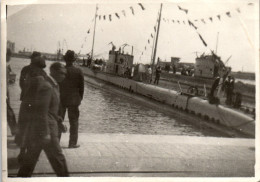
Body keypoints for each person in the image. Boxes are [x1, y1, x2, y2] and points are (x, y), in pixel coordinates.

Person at [17, 62, 69, 177]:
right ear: (53, 71)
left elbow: (51, 110)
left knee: (30, 161)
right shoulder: (47, 86)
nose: (64, 76)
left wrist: (59, 121)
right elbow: (41, 110)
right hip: (47, 131)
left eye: (65, 74)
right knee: (58, 159)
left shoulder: (55, 85)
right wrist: (46, 132)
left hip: (42, 130)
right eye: (62, 73)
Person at [59, 50, 84, 148]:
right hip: (74, 100)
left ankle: (56, 141)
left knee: (59, 120)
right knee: (74, 122)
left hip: (61, 99)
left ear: (65, 59)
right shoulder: (79, 71)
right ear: (74, 60)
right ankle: (72, 143)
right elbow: (81, 87)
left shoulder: (61, 70)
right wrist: (79, 98)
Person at [6, 48, 17, 136]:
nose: (10, 58)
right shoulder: (5, 66)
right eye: (10, 56)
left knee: (8, 111)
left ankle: (14, 130)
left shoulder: (6, 66)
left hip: (6, 91)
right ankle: (15, 131)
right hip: (4, 92)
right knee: (9, 112)